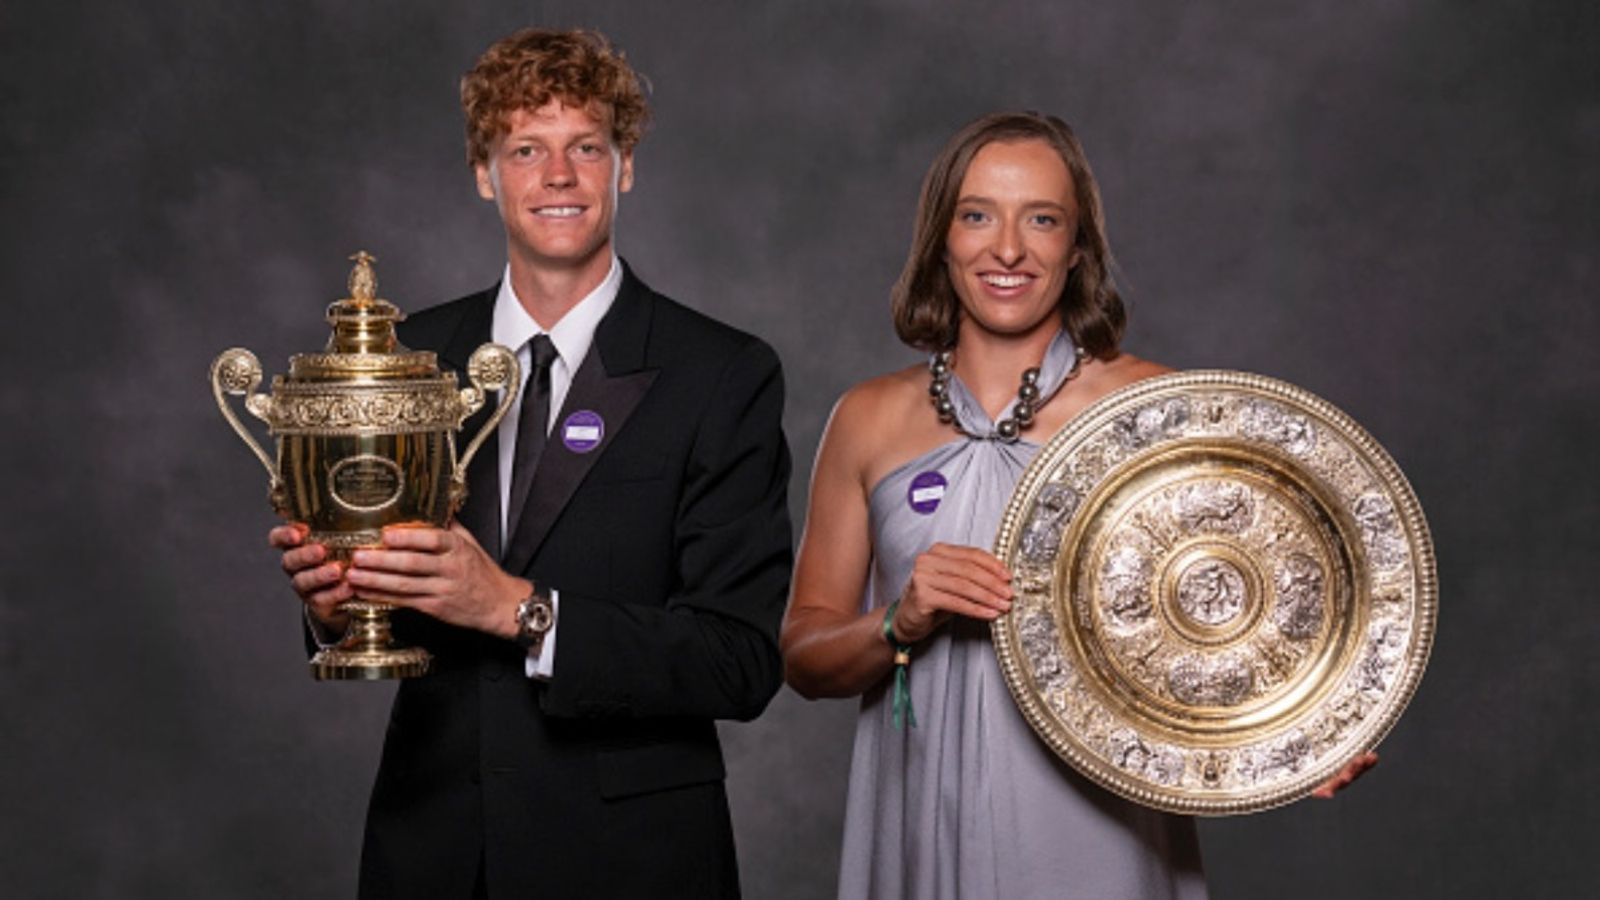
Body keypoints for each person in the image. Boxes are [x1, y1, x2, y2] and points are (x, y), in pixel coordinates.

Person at [781, 112, 1374, 899]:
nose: (1008, 249)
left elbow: (1256, 591)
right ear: (941, 240)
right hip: (920, 815)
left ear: (1077, 249)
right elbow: (805, 654)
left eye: (1043, 220)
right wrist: (899, 620)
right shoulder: (867, 418)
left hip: (1097, 830)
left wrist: (1313, 730)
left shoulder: (1152, 406)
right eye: (978, 215)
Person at [271, 29, 792, 899]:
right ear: (486, 173)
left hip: (635, 860)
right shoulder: (410, 360)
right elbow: (391, 608)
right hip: (434, 851)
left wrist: (522, 610)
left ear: (624, 166)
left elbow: (737, 660)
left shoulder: (722, 373)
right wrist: (335, 602)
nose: (558, 175)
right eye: (526, 149)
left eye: (586, 146)